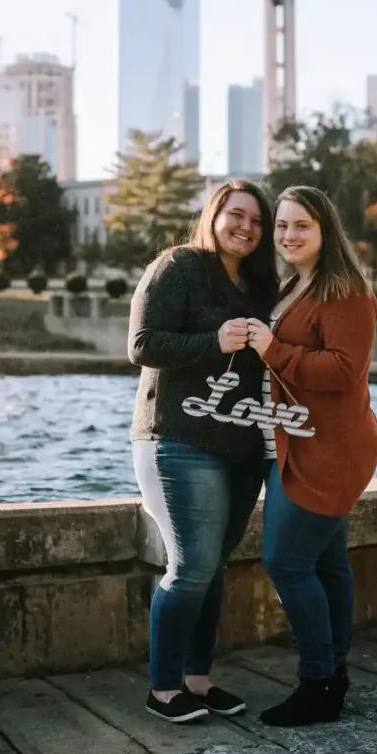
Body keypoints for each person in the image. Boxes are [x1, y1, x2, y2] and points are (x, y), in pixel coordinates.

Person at [129, 179, 278, 723]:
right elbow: (141, 345)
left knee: (214, 566)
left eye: (257, 220)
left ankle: (197, 678)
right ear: (214, 216)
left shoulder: (263, 285)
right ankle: (163, 688)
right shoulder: (179, 266)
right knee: (191, 566)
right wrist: (212, 341)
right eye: (236, 215)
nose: (246, 227)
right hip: (177, 438)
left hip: (244, 445)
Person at [247, 185, 377, 727]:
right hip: (297, 441)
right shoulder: (294, 285)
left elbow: (344, 370)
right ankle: (334, 675)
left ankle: (318, 682)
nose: (287, 235)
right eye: (281, 226)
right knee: (326, 562)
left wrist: (272, 349)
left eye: (301, 225)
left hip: (331, 448)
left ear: (326, 230)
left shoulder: (345, 291)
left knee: (287, 562)